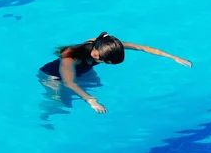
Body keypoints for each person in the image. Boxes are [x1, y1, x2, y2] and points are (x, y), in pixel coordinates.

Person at [38, 32, 192, 114]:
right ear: (97, 55)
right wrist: (91, 101)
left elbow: (142, 47)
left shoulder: (106, 45)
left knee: (96, 85)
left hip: (83, 69)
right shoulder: (70, 56)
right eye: (105, 61)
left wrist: (173, 57)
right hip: (53, 76)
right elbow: (69, 82)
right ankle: (47, 115)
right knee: (62, 101)